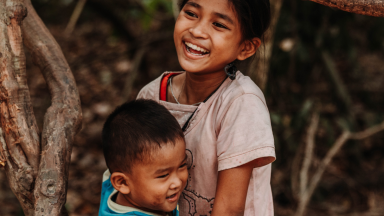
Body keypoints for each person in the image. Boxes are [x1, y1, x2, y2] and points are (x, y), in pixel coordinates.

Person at [137, 0, 275, 215]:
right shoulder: (151, 96)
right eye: (191, 13)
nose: (197, 30)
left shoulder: (241, 103)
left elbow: (228, 210)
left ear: (246, 47)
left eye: (219, 25)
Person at [99, 99, 188, 216]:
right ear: (122, 183)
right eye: (163, 175)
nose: (177, 183)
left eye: (182, 165)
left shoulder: (113, 183)